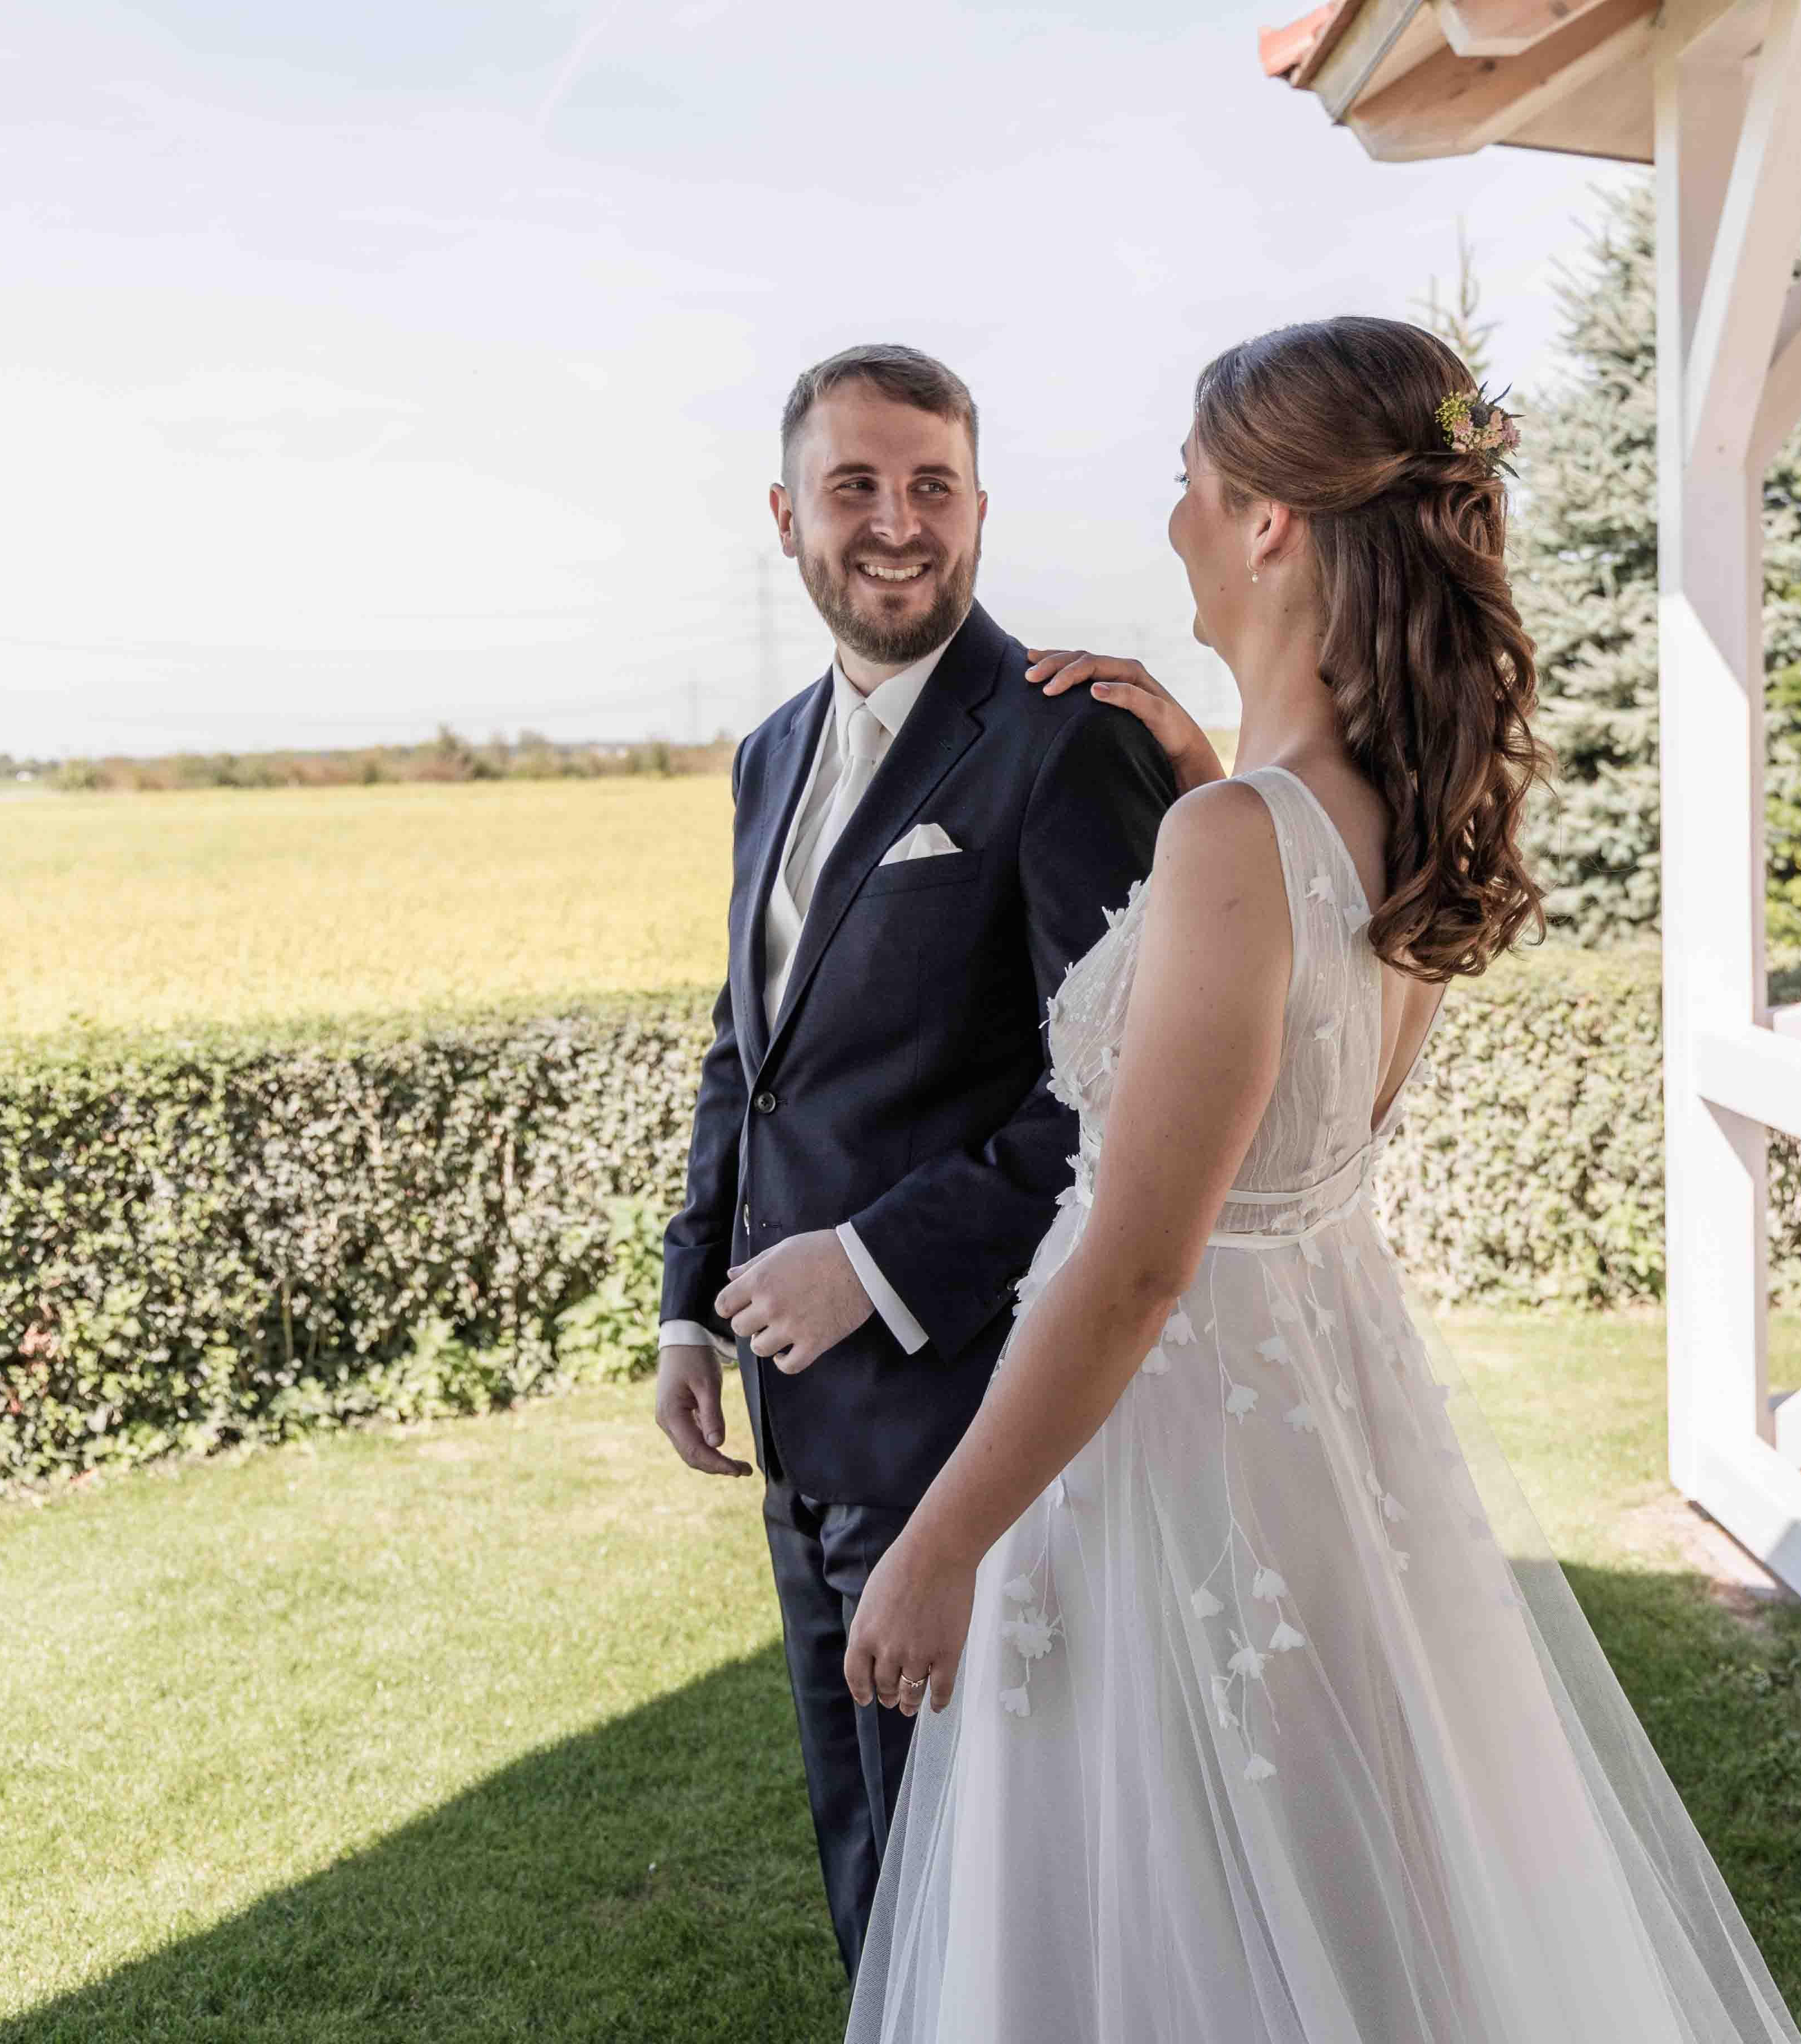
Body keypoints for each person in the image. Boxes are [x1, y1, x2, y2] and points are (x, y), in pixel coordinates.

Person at [837, 317, 1801, 2042]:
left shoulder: (1237, 842)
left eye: (1193, 489)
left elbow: (1139, 1265)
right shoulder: (1372, 816)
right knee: (1345, 1910)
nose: (1174, 527)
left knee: (1165, 1920)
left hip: (1171, 1448)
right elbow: (1307, 1120)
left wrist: (941, 1542)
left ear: (1272, 522)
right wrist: (1215, 777)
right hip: (1322, 1437)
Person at [651, 343, 1185, 1978]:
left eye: (932, 485)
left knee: (980, 1892)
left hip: (970, 1424)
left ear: (977, 506)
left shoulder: (1062, 743)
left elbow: (1121, 1106)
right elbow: (754, 1051)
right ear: (787, 513)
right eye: (858, 486)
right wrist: (690, 1310)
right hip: (801, 1431)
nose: (898, 523)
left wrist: (874, 1262)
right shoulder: (764, 755)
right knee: (869, 1874)